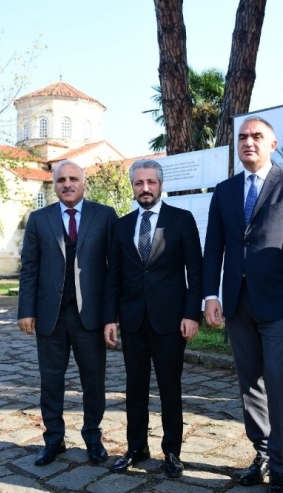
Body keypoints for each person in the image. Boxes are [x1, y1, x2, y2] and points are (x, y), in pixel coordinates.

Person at [203, 116, 283, 493]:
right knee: (249, 383)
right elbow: (214, 249)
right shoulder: (224, 191)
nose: (248, 142)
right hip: (237, 305)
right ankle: (263, 452)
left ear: (273, 144)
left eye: (257, 137)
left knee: (280, 383)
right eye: (242, 137)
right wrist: (210, 295)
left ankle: (282, 466)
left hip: (280, 306)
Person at [104, 159, 203, 478]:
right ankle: (137, 447)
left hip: (171, 321)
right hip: (133, 321)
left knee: (169, 388)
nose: (145, 188)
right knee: (135, 388)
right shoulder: (121, 225)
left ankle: (172, 452)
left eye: (151, 182)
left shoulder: (181, 220)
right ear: (132, 186)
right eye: (138, 183)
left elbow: (195, 271)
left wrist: (192, 313)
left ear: (161, 185)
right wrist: (110, 318)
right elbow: (113, 276)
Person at [17, 160, 117, 467]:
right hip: (51, 316)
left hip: (91, 317)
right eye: (61, 180)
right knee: (51, 380)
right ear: (54, 184)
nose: (67, 184)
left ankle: (93, 438)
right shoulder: (39, 219)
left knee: (93, 380)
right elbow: (29, 267)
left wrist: (111, 317)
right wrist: (26, 310)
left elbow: (115, 271)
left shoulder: (105, 216)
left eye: (74, 178)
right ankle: (53, 440)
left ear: (84, 183)